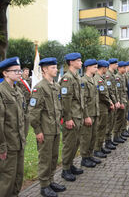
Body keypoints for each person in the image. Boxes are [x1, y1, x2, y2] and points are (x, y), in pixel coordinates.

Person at [29, 57, 66, 197]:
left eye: (56, 67)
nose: (56, 70)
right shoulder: (39, 88)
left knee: (53, 157)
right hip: (45, 130)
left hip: (55, 128)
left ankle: (50, 181)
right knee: (45, 158)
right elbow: (33, 113)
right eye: (53, 67)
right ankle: (44, 186)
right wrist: (37, 131)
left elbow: (58, 107)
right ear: (44, 70)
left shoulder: (56, 86)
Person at [0, 57, 26, 197]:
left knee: (18, 176)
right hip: (8, 145)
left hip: (19, 143)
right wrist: (2, 147)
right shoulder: (1, 91)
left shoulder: (18, 91)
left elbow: (23, 117)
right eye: (15, 71)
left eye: (19, 70)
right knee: (7, 179)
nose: (19, 73)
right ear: (5, 73)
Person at [59, 52, 84, 182]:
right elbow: (65, 100)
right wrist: (67, 118)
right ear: (71, 62)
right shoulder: (67, 78)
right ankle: (65, 169)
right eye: (79, 60)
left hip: (78, 116)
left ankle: (70, 164)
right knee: (69, 144)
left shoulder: (77, 77)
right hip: (71, 117)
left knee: (76, 143)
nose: (81, 63)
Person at [80, 59, 101, 168]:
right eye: (95, 67)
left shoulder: (93, 80)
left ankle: (90, 155)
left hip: (95, 112)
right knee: (86, 137)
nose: (96, 69)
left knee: (93, 136)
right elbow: (83, 100)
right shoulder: (83, 81)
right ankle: (84, 158)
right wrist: (86, 116)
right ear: (88, 67)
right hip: (88, 114)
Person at [105, 58, 121, 148]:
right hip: (110, 102)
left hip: (113, 101)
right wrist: (113, 102)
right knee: (109, 123)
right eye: (116, 64)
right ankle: (107, 141)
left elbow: (115, 90)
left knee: (112, 121)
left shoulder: (112, 75)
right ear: (111, 65)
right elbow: (109, 91)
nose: (117, 66)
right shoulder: (108, 75)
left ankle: (109, 140)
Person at [113, 61, 128, 142]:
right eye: (123, 68)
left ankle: (118, 135)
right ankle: (115, 136)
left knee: (122, 118)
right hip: (121, 101)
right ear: (119, 68)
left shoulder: (122, 76)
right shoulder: (117, 77)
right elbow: (118, 92)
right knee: (118, 119)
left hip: (124, 99)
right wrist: (121, 102)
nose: (125, 69)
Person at [16, 67, 31, 138]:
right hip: (22, 98)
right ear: (23, 72)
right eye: (25, 71)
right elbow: (17, 89)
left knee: (28, 111)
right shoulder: (19, 81)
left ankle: (27, 120)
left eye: (28, 71)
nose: (27, 73)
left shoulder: (30, 80)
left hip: (29, 98)